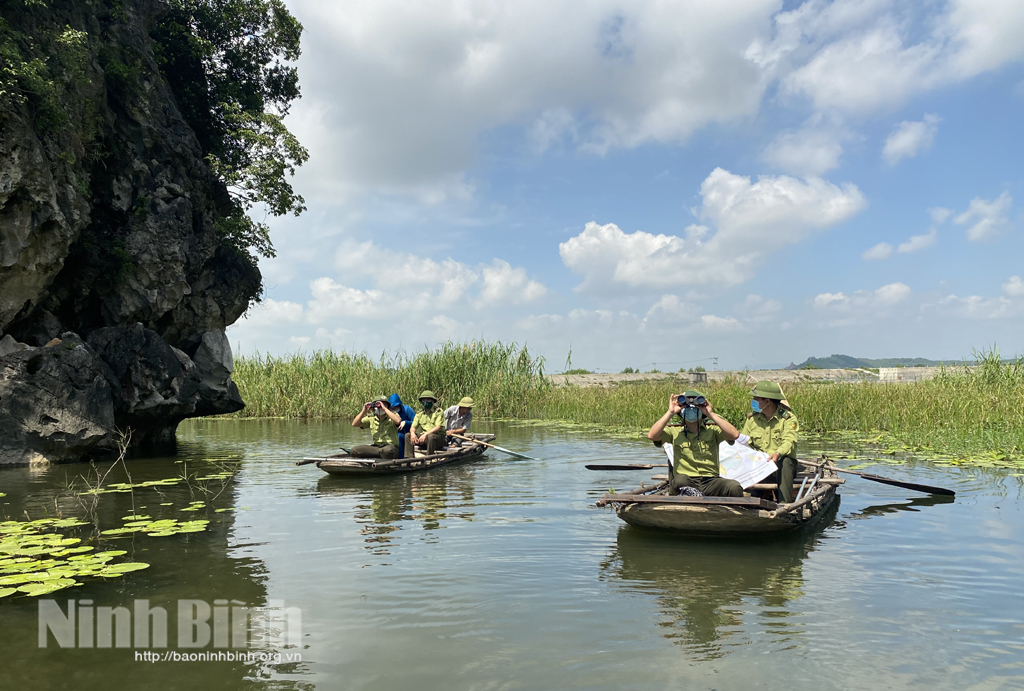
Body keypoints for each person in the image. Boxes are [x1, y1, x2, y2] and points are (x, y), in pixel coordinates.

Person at [647, 390, 742, 497]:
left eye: (695, 405)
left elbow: (734, 435)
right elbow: (652, 436)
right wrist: (671, 412)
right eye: (686, 405)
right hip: (687, 480)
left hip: (710, 481)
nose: (691, 408)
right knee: (680, 481)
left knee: (734, 487)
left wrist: (710, 414)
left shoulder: (713, 430)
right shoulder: (674, 431)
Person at [739, 381, 799, 503]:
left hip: (780, 465)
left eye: (756, 399)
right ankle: (747, 502)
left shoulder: (788, 419)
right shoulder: (752, 419)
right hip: (759, 466)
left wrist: (777, 454)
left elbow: (789, 441)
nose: (753, 401)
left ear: (767, 401)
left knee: (786, 462)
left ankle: (785, 504)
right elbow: (744, 442)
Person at [408, 390, 446, 456]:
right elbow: (413, 426)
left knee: (431, 437)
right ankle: (409, 458)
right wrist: (412, 433)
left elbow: (438, 428)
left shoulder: (438, 412)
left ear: (432, 401)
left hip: (437, 438)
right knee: (407, 436)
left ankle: (429, 457)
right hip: (424, 439)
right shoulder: (419, 413)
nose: (426, 401)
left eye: (428, 399)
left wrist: (425, 434)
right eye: (424, 400)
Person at [388, 393, 416, 458]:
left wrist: (406, 422)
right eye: (392, 408)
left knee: (399, 437)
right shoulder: (388, 412)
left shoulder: (407, 410)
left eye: (396, 407)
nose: (394, 409)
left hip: (406, 434)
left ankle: (400, 459)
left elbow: (416, 423)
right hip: (393, 433)